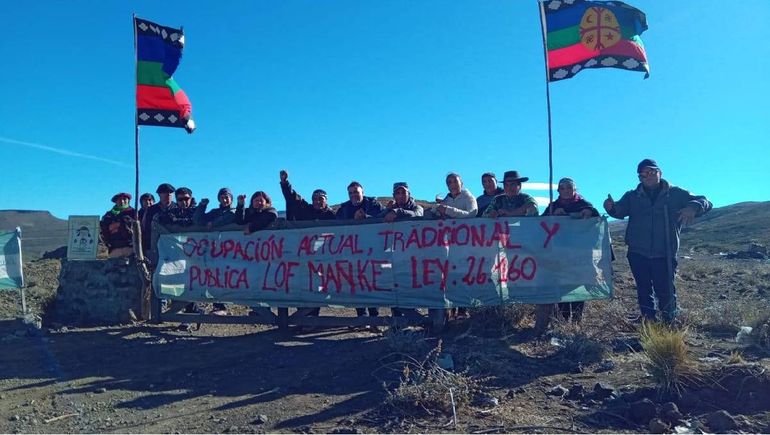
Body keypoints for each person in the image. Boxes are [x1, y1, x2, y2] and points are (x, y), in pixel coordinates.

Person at [604, 159, 711, 323]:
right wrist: (610, 208)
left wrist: (694, 206)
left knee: (666, 290)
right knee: (643, 289)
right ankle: (649, 321)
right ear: (639, 177)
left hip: (666, 252)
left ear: (660, 173)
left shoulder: (676, 193)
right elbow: (620, 211)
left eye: (652, 172)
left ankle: (669, 323)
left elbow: (705, 201)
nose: (648, 176)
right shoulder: (632, 196)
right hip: (637, 252)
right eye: (643, 174)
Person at [543, 177, 600, 323]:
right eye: (563, 188)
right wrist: (553, 215)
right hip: (559, 254)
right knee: (562, 285)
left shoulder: (585, 204)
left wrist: (589, 213)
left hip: (580, 254)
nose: (566, 190)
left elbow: (597, 221)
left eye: (569, 187)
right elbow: (540, 224)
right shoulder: (552, 206)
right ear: (558, 191)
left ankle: (576, 321)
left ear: (575, 190)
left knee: (577, 285)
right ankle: (563, 319)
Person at [426, 173, 477, 319]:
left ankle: (463, 310)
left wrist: (448, 211)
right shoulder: (447, 199)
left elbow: (472, 214)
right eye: (449, 182)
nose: (452, 184)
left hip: (465, 243)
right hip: (448, 244)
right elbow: (438, 210)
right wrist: (437, 210)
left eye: (455, 181)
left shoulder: (468, 197)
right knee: (449, 277)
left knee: (463, 275)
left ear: (461, 183)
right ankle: (450, 310)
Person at [336, 181, 385, 322]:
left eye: (356, 192)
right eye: (351, 193)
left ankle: (374, 318)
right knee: (356, 285)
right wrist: (352, 220)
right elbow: (337, 223)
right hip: (351, 253)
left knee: (372, 284)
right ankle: (362, 317)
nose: (353, 195)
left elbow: (381, 218)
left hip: (373, 252)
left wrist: (366, 218)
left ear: (362, 192)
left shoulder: (373, 204)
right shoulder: (344, 208)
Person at [380, 182, 423, 318]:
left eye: (403, 192)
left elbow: (417, 214)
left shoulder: (417, 207)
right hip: (393, 256)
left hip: (413, 256)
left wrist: (398, 211)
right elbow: (377, 219)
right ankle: (397, 321)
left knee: (411, 286)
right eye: (397, 193)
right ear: (393, 195)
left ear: (409, 194)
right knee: (394, 287)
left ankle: (416, 319)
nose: (400, 195)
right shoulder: (389, 210)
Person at [194, 187, 235, 316]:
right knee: (214, 276)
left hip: (231, 249)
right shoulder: (214, 212)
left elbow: (231, 218)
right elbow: (198, 220)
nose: (225, 199)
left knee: (228, 276)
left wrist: (214, 223)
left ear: (231, 199)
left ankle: (226, 304)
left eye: (227, 197)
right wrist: (202, 206)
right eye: (222, 197)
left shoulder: (236, 211)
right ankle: (218, 305)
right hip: (213, 249)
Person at [142, 183, 177, 257]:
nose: (168, 194)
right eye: (165, 192)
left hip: (174, 247)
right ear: (159, 194)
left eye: (171, 192)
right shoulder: (151, 210)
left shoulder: (177, 208)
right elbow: (145, 228)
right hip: (154, 247)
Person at [100, 192, 136, 258]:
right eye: (119, 200)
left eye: (125, 199)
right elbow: (103, 230)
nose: (122, 201)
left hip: (131, 248)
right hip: (114, 249)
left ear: (128, 201)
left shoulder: (134, 213)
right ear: (116, 202)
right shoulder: (108, 215)